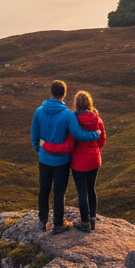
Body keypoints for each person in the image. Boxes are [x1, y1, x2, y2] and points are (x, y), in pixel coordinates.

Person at [31, 80, 101, 234]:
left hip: (44, 159)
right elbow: (78, 134)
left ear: (51, 92)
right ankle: (58, 224)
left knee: (44, 189)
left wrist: (39, 149)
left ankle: (42, 221)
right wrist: (95, 134)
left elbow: (34, 134)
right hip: (62, 161)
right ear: (64, 94)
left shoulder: (39, 111)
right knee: (59, 192)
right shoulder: (68, 115)